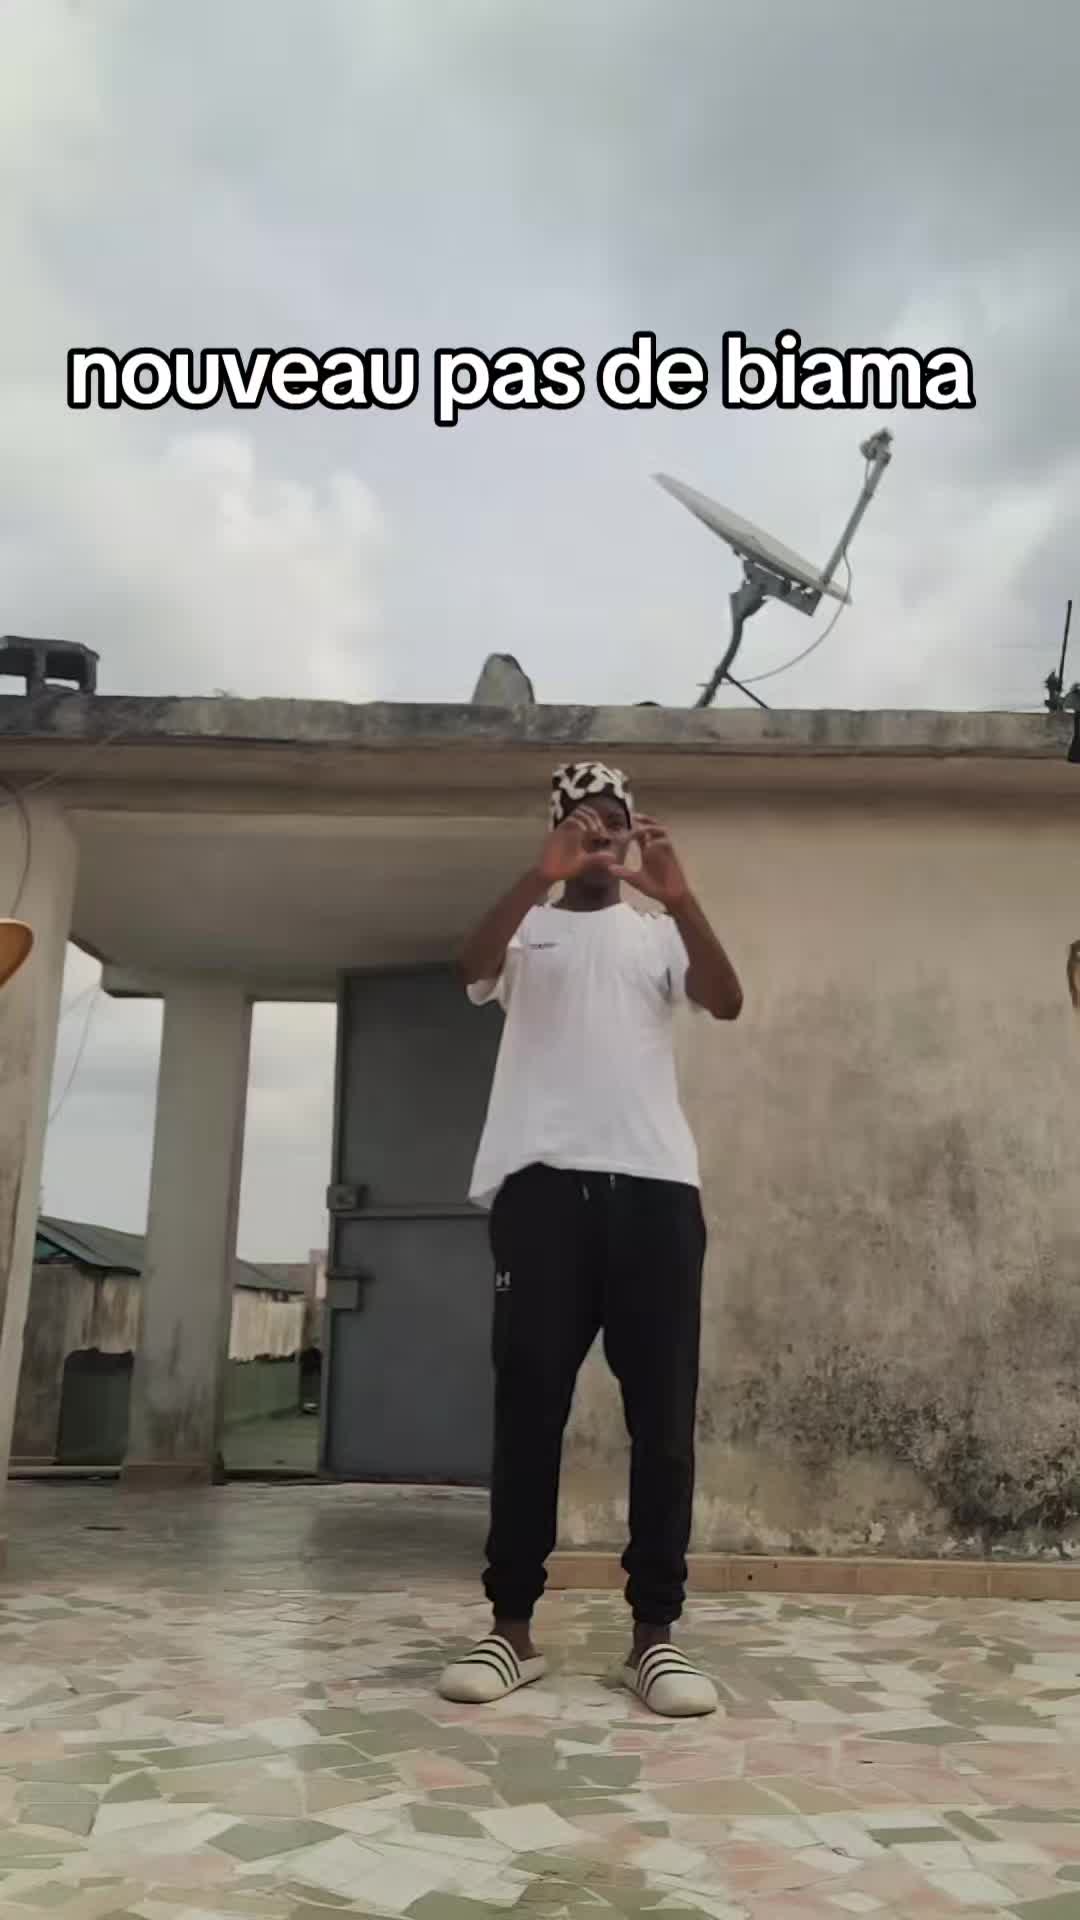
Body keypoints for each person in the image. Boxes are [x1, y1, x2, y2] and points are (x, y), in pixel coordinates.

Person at [438, 761, 743, 1718]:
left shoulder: (655, 934)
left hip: (656, 1193)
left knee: (664, 1421)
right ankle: (512, 1630)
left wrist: (682, 900)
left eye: (615, 820)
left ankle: (655, 1638)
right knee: (528, 1410)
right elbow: (469, 968)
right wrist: (541, 874)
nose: (601, 835)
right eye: (583, 822)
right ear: (558, 833)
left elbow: (727, 999)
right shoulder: (526, 927)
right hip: (542, 1193)